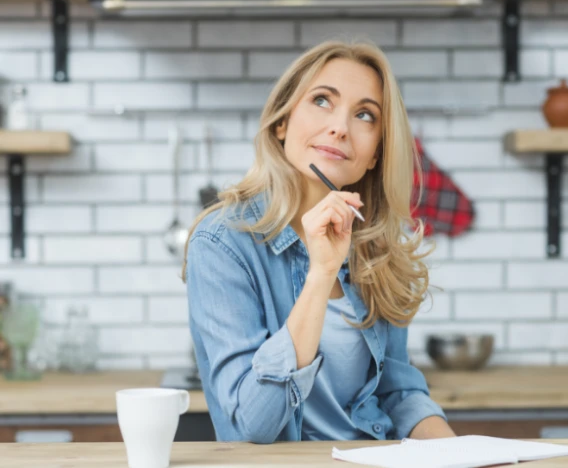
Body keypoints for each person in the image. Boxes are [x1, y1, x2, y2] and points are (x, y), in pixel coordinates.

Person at [182, 39, 456, 444]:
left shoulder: (378, 246)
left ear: (375, 152)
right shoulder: (222, 243)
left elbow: (398, 392)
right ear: (282, 122)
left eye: (365, 114)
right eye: (322, 101)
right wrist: (321, 272)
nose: (340, 127)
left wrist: (458, 451)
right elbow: (252, 425)